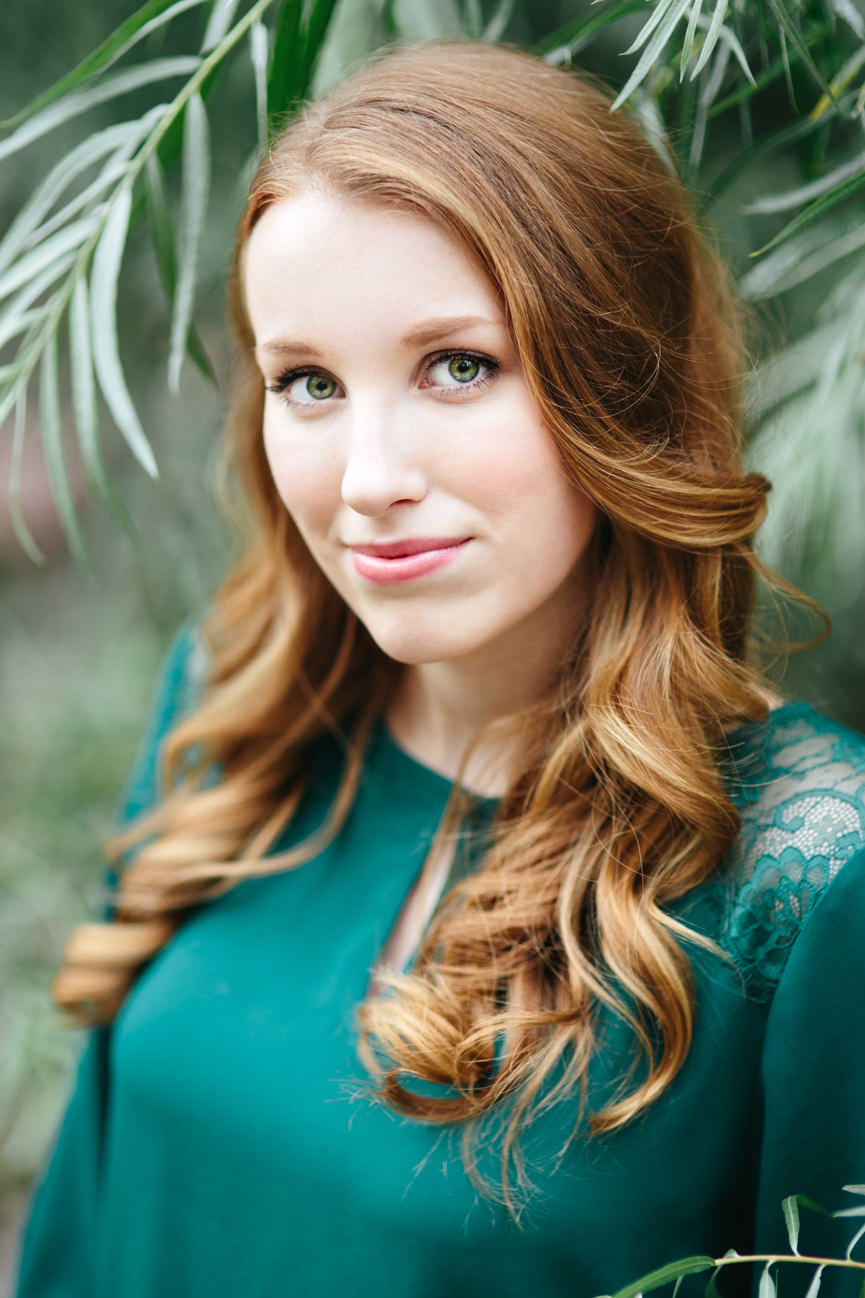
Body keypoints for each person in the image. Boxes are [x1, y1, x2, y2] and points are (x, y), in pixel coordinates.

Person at [14, 39, 865, 1298]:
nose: (366, 477)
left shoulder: (806, 878)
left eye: (457, 366)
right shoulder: (231, 702)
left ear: (621, 381)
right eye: (306, 381)